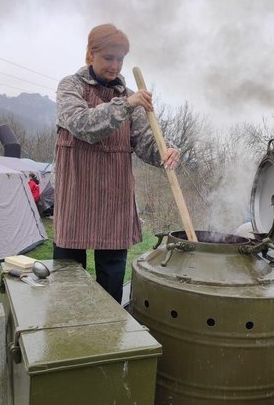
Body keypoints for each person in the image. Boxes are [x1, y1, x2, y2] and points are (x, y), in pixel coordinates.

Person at [53, 23, 180, 303]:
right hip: (77, 197)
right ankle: (66, 337)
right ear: (90, 55)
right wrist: (127, 104)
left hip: (114, 201)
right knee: (66, 281)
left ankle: (108, 338)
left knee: (111, 284)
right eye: (108, 58)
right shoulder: (70, 87)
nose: (115, 65)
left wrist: (164, 151)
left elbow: (144, 143)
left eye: (120, 59)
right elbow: (83, 125)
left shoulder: (129, 96)